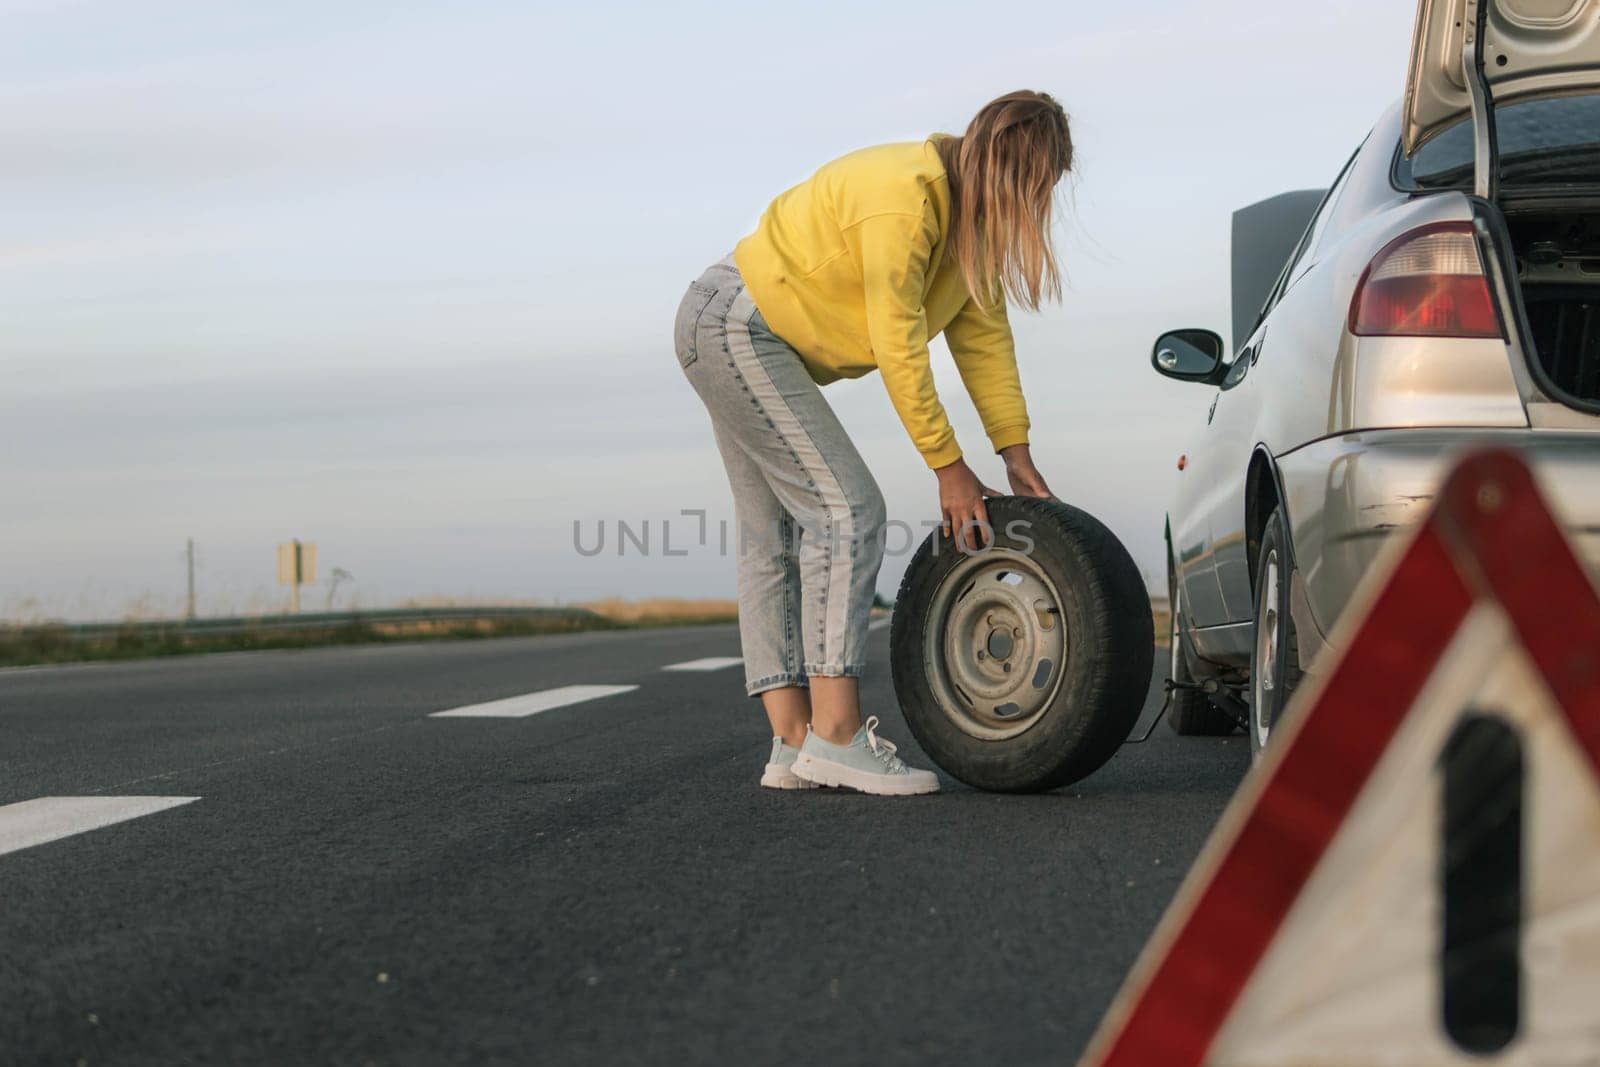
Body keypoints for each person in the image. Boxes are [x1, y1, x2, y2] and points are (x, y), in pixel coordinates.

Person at [673, 90, 1071, 796]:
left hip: (740, 329)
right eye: (1033, 189)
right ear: (1010, 170)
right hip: (736, 324)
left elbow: (982, 338)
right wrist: (949, 466)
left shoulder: (967, 228)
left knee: (773, 531)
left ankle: (793, 740)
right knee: (848, 510)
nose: (1032, 207)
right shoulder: (906, 199)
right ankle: (835, 735)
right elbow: (899, 343)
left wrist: (1013, 449)